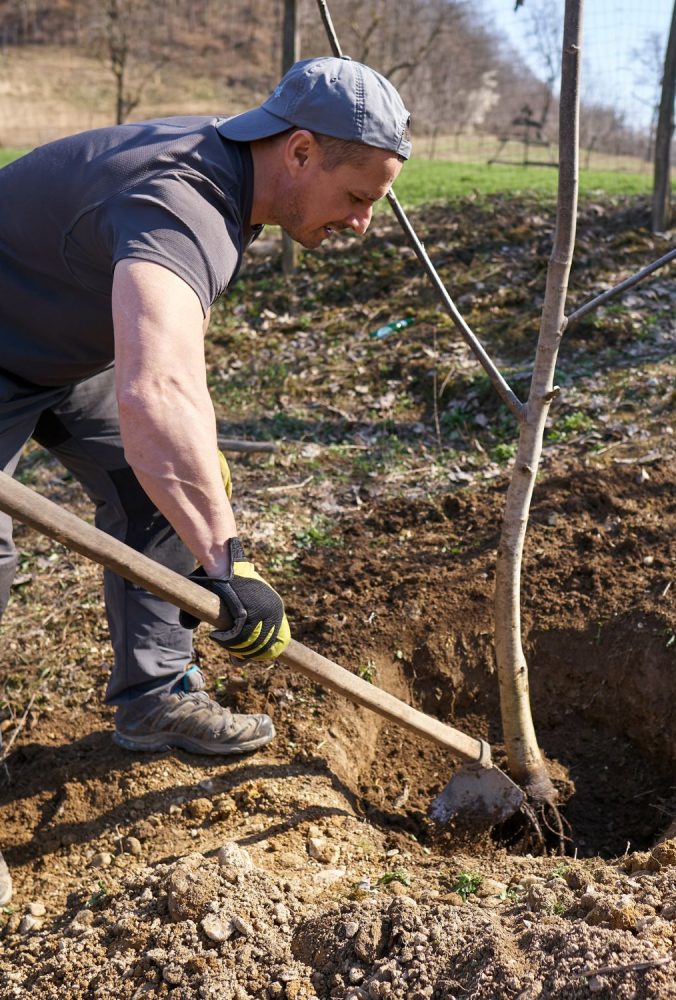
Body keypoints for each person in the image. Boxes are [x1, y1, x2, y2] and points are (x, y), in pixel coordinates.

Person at [0, 55, 411, 905]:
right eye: (359, 197)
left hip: (60, 346)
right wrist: (229, 563)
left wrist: (199, 496)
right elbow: (160, 392)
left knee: (166, 492)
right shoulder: (180, 201)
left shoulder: (228, 183)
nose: (364, 221)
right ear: (300, 152)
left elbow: (168, 361)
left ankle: (153, 696)